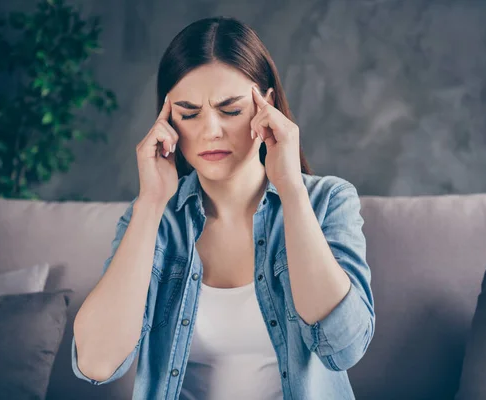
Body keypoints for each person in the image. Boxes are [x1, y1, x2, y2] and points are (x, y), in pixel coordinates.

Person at [71, 16, 375, 400]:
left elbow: (343, 348)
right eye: (189, 112)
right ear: (167, 119)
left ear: (266, 106)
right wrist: (150, 203)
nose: (210, 130)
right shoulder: (152, 219)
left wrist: (291, 189)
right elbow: (96, 363)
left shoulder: (328, 201)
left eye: (230, 110)